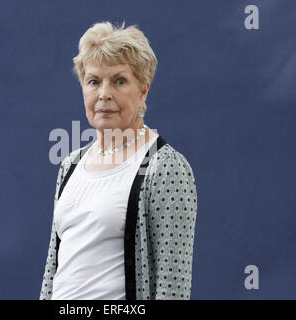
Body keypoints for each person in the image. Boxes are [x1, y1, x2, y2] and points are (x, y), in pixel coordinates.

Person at [40, 21, 197, 300]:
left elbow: (173, 287)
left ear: (143, 91)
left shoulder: (165, 168)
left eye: (119, 80)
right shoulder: (71, 165)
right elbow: (54, 270)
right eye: (94, 81)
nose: (104, 94)